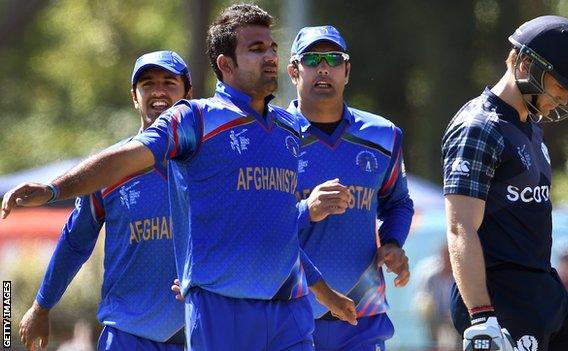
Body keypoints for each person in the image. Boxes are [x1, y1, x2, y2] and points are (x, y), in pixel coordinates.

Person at [3, 4, 355, 350]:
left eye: (272, 47)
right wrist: (55, 189)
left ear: (186, 88)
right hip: (205, 314)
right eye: (256, 48)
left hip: (287, 311)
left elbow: (277, 229)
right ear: (225, 65)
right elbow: (79, 235)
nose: (270, 57)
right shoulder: (196, 121)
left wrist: (325, 292)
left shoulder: (289, 127)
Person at [17, 50, 192, 351]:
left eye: (169, 82)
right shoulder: (109, 170)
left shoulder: (211, 164)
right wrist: (41, 306)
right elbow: (75, 241)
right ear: (134, 97)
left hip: (197, 333)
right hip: (126, 336)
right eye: (147, 84)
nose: (158, 91)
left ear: (189, 93)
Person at [442, 15, 568, 351]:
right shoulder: (479, 126)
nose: (563, 100)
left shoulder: (531, 127)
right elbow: (460, 227)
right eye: (560, 86)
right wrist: (482, 317)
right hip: (500, 300)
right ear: (526, 64)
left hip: (545, 291)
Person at [286, 25, 414, 350]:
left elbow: (398, 203)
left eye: (333, 58)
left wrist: (393, 243)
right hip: (290, 313)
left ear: (347, 70)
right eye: (312, 59)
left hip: (362, 317)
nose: (324, 67)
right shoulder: (273, 136)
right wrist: (306, 211)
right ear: (293, 71)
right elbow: (255, 223)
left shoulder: (384, 135)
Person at [412, 243, 459, 350]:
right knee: (431, 322)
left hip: (454, 314)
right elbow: (424, 296)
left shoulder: (459, 275)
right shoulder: (431, 275)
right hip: (435, 315)